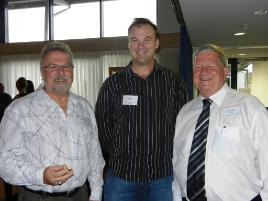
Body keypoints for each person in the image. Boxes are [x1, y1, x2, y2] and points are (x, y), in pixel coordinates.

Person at [95, 18, 188, 201]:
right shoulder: (113, 84)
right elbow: (102, 128)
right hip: (121, 178)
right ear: (128, 44)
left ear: (157, 43)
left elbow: (183, 126)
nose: (141, 45)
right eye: (134, 40)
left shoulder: (174, 83)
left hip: (163, 177)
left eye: (147, 39)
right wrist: (122, 154)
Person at [0, 42, 105, 201]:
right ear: (42, 71)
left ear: (72, 71)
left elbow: (94, 154)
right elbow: (4, 161)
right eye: (53, 67)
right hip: (39, 197)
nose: (61, 72)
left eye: (66, 66)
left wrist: (96, 193)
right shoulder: (19, 110)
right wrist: (40, 175)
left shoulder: (84, 107)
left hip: (81, 195)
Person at [172, 44, 268, 201]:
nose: (203, 71)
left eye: (210, 65)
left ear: (225, 71)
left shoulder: (250, 107)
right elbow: (178, 159)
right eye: (198, 67)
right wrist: (177, 196)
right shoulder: (184, 112)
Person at [0, 83, 13, 201]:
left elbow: (10, 113)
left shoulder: (7, 97)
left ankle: (8, 193)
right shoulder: (8, 97)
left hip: (4, 130)